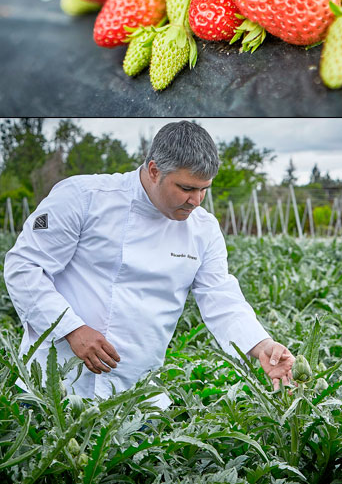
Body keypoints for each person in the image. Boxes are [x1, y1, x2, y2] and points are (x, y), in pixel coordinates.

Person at [4, 120, 294, 406]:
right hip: (53, 386)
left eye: (204, 189)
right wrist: (71, 329)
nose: (196, 201)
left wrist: (263, 346)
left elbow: (222, 300)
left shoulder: (203, 229)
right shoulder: (83, 198)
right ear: (154, 170)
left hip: (137, 398)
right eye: (186, 188)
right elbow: (24, 267)